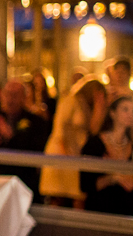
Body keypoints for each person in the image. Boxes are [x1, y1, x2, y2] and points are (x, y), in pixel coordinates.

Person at [40, 77, 108, 206]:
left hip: (76, 154)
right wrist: (66, 155)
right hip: (62, 152)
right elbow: (60, 127)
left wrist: (100, 107)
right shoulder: (70, 100)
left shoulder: (87, 107)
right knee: (58, 196)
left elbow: (93, 131)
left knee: (78, 195)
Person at [0, 79, 51, 198]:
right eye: (7, 94)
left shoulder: (36, 122)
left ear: (24, 98)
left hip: (23, 184)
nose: (10, 99)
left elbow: (36, 151)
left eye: (15, 95)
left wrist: (11, 137)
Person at [79, 96, 133, 216]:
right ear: (113, 113)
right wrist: (114, 178)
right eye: (125, 109)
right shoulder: (95, 144)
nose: (130, 114)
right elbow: (86, 185)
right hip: (101, 209)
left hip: (128, 211)